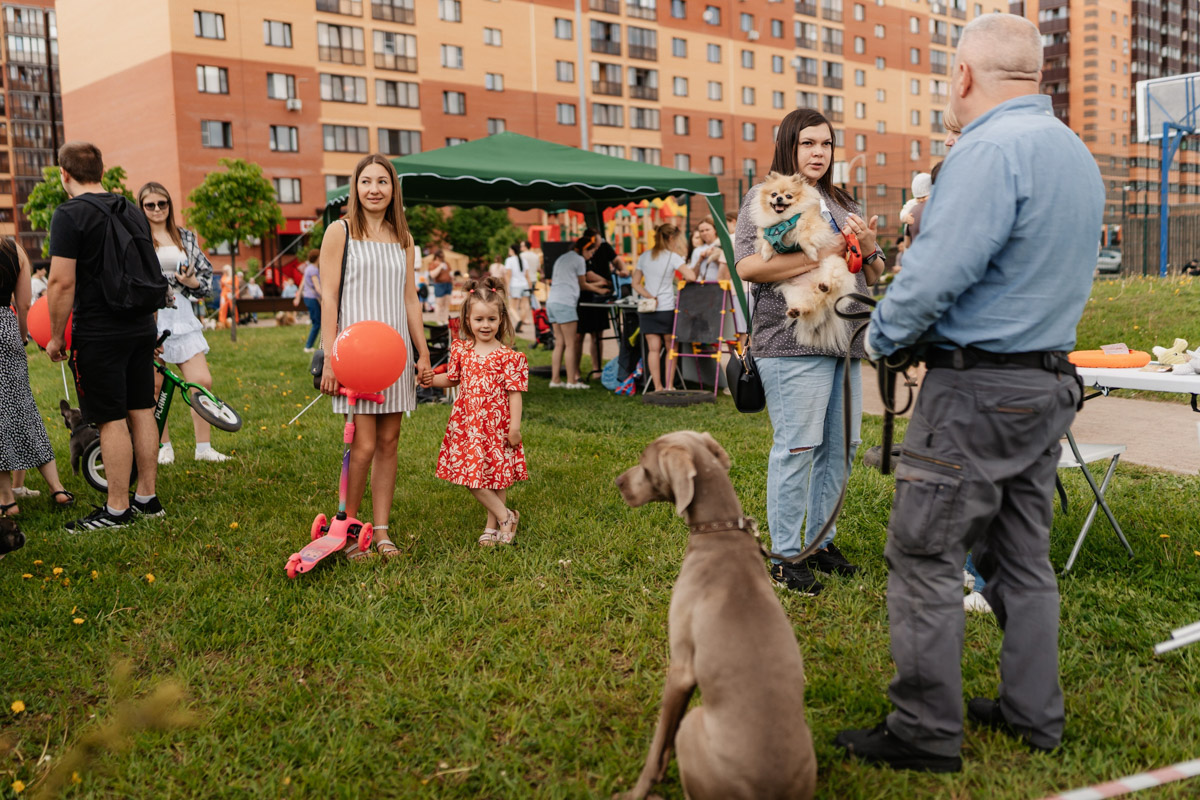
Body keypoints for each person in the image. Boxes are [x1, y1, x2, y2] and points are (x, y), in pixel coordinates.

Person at [834, 14, 1104, 771]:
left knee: (923, 551)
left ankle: (923, 730)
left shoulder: (987, 150)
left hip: (977, 391)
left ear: (962, 75)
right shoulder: (1074, 154)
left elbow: (934, 275)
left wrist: (881, 337)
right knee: (1022, 557)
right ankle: (1032, 714)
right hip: (1044, 384)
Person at [733, 108, 886, 596]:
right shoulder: (766, 199)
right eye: (807, 144)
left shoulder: (842, 201)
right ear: (787, 147)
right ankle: (783, 556)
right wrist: (821, 254)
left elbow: (873, 273)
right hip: (791, 340)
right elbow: (748, 267)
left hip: (845, 343)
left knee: (841, 449)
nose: (818, 152)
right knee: (798, 448)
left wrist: (871, 244)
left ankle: (819, 543)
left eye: (825, 144)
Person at [319, 153, 431, 561]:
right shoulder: (340, 231)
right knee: (362, 445)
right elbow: (329, 296)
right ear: (356, 187)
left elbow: (410, 300)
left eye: (382, 182)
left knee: (390, 441)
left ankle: (381, 532)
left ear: (393, 189)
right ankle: (346, 530)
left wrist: (422, 354)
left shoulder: (403, 238)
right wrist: (331, 357)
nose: (374, 189)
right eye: (367, 181)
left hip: (395, 354)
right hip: (357, 356)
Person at [46, 141, 163, 530]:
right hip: (141, 323)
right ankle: (147, 497)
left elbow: (61, 283)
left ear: (65, 174)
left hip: (99, 329)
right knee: (142, 408)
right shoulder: (129, 207)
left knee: (111, 419)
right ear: (100, 170)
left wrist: (57, 336)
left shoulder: (69, 214)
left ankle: (117, 509)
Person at [429, 276, 528, 546]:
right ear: (468, 321)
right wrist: (428, 379)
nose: (485, 325)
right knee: (472, 478)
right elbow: (452, 378)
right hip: (468, 424)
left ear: (501, 320)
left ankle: (492, 526)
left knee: (496, 476)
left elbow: (514, 393)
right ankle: (507, 516)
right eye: (479, 320)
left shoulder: (509, 356)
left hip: (497, 425)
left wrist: (515, 427)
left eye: (491, 320)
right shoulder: (462, 349)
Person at [137, 181, 228, 465]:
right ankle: (163, 447)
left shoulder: (185, 237)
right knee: (154, 386)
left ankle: (204, 448)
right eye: (149, 205)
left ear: (169, 205)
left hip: (182, 315)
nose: (156, 209)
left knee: (201, 382)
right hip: (150, 316)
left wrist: (190, 281)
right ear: (141, 207)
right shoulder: (136, 237)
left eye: (161, 204)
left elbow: (205, 280)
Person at [0, 237, 74, 516]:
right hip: (7, 330)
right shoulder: (14, 249)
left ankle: (7, 499)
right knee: (24, 408)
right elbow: (24, 304)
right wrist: (19, 336)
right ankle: (57, 487)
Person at [545, 233, 604, 388]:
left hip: (552, 302)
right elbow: (583, 284)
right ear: (585, 250)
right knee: (571, 344)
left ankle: (555, 380)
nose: (590, 256)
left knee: (559, 343)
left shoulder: (563, 257)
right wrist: (602, 288)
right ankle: (572, 381)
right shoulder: (578, 260)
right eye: (590, 252)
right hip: (565, 303)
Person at [633, 223, 686, 393]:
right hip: (666, 307)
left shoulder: (645, 256)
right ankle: (670, 386)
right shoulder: (673, 257)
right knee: (672, 347)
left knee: (653, 349)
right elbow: (691, 275)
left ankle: (657, 387)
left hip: (648, 308)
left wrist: (648, 295)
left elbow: (635, 283)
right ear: (671, 238)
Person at [576, 230, 623, 382]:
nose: (596, 248)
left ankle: (597, 369)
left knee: (598, 334)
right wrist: (604, 282)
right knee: (579, 335)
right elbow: (587, 276)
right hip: (584, 298)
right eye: (594, 244)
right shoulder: (581, 256)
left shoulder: (604, 247)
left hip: (601, 297)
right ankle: (575, 371)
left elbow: (617, 261)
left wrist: (623, 270)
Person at [295, 249, 322, 352]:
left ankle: (312, 345)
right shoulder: (314, 270)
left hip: (307, 297)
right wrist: (327, 298)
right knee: (317, 323)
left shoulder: (308, 268)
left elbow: (302, 283)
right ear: (318, 258)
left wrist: (298, 297)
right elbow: (317, 287)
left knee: (316, 322)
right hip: (312, 298)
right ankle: (308, 346)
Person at [503, 243, 532, 333]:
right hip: (524, 285)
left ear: (512, 250)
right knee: (525, 305)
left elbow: (508, 275)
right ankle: (521, 325)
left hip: (514, 285)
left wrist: (507, 288)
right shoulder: (524, 260)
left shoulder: (509, 260)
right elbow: (527, 275)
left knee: (512, 307)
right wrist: (530, 285)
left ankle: (518, 320)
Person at [429, 249, 453, 325]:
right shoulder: (433, 264)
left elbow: (450, 273)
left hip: (448, 284)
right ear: (437, 257)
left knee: (446, 304)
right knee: (439, 304)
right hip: (439, 285)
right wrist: (440, 267)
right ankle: (438, 320)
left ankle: (445, 320)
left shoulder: (446, 263)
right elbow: (432, 275)